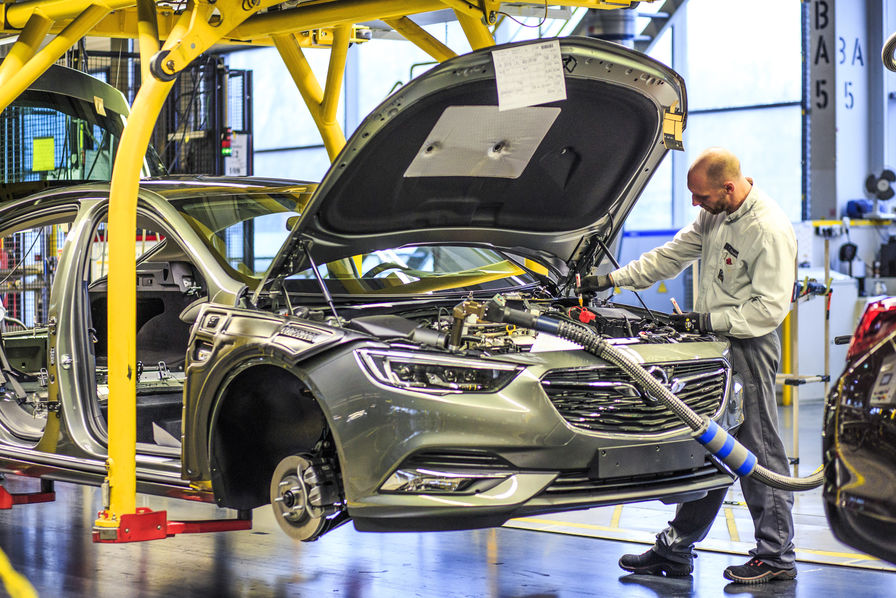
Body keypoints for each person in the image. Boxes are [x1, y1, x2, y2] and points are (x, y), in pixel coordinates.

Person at [583, 147, 798, 584]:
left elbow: (769, 310)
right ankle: (677, 549)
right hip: (715, 346)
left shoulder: (768, 229)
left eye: (701, 197)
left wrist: (705, 319)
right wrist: (610, 280)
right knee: (712, 447)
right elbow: (671, 255)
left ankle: (777, 556)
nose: (696, 205)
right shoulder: (714, 216)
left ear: (729, 187)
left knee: (758, 447)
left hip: (750, 347)